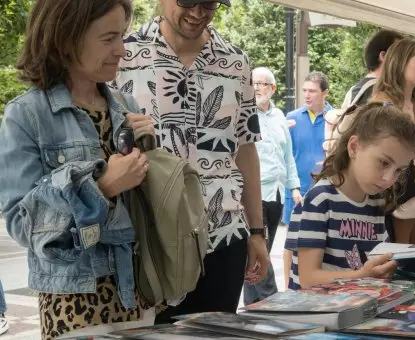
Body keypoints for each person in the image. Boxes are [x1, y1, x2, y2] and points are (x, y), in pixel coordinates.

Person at [0, 1, 157, 338]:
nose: (121, 50)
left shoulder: (126, 107)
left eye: (122, 36)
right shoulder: (27, 115)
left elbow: (146, 209)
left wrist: (151, 154)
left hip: (140, 295)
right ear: (66, 39)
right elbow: (20, 223)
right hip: (73, 304)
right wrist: (100, 187)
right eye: (108, 38)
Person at [113, 0, 270, 321]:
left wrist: (257, 231)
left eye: (209, 3)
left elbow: (246, 150)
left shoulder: (236, 62)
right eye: (187, 1)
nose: (198, 12)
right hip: (149, 241)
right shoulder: (122, 54)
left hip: (223, 235)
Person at [284, 103, 415, 290]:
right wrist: (362, 276)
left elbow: (378, 263)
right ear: (354, 147)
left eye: (398, 170)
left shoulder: (376, 201)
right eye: (384, 163)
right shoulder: (319, 200)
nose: (389, 179)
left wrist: (414, 255)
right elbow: (309, 278)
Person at [370, 38, 415, 245]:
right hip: (392, 199)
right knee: (396, 263)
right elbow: (373, 158)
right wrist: (412, 151)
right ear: (400, 62)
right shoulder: (380, 105)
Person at [243, 67, 302, 304]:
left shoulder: (279, 117)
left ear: (273, 88)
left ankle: (253, 303)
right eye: (253, 83)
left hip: (276, 192)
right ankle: (270, 299)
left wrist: (294, 187)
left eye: (262, 84)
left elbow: (288, 155)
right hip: (254, 192)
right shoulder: (245, 114)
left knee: (263, 248)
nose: (257, 88)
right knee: (261, 248)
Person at [282, 72, 332, 225]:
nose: (307, 95)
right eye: (305, 90)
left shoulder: (335, 119)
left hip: (327, 192)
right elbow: (285, 157)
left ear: (325, 93)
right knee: (292, 244)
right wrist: (292, 188)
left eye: (312, 91)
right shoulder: (292, 118)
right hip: (297, 192)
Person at [346, 30, 404, 106]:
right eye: (400, 54)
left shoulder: (353, 90)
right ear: (383, 56)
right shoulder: (378, 91)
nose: (405, 60)